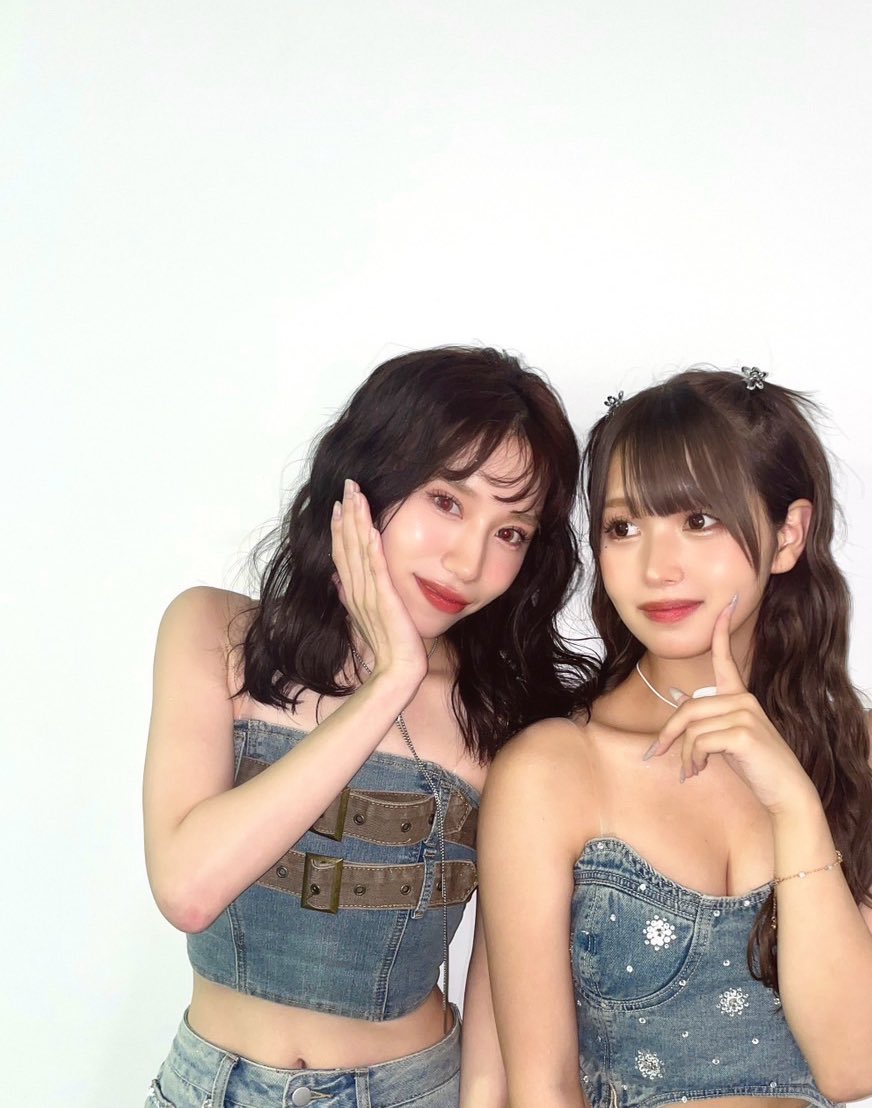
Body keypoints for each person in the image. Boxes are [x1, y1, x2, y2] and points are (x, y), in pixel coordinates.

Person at [479, 366, 872, 1107]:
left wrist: (793, 804)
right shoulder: (550, 770)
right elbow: (540, 1088)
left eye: (699, 520)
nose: (656, 567)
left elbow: (854, 1067)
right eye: (623, 528)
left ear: (788, 534)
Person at [143, 346, 594, 1108]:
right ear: (368, 475)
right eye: (447, 501)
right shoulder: (214, 635)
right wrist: (390, 683)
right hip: (206, 1088)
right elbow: (188, 888)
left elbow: (500, 995)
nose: (469, 560)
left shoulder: (507, 719)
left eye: (511, 532)